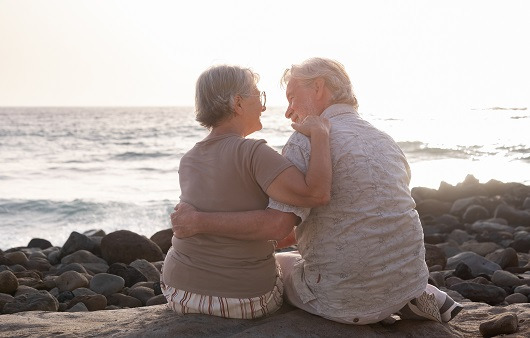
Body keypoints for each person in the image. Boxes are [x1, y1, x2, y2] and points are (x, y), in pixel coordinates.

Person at [171, 57, 463, 325]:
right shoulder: (385, 141)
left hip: (342, 302)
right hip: (405, 283)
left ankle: (371, 303)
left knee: (281, 263)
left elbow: (279, 225)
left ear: (319, 89)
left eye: (292, 98)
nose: (288, 112)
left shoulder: (304, 141)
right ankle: (419, 296)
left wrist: (203, 226)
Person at [160, 64, 333, 320]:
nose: (263, 106)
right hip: (244, 299)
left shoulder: (189, 158)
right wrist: (320, 134)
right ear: (238, 103)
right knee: (290, 262)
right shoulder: (253, 152)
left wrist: (198, 222)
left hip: (178, 291)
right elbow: (316, 194)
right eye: (258, 96)